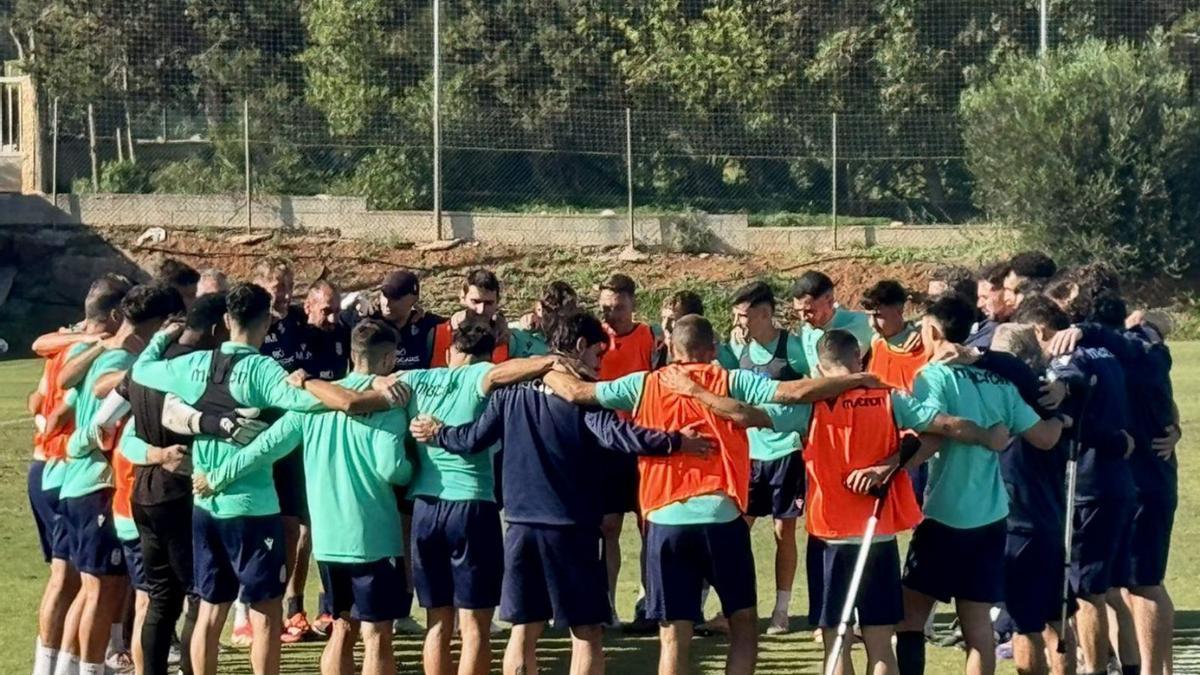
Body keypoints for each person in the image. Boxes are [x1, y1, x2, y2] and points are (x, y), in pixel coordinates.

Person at [543, 315, 909, 674]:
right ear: (713, 349)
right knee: (744, 625)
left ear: (671, 348)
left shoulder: (644, 383)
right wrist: (858, 378)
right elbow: (793, 391)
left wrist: (541, 366)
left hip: (665, 519)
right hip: (722, 517)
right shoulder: (729, 379)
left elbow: (578, 392)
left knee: (673, 637)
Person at [409, 310, 714, 675]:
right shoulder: (580, 394)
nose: (600, 365)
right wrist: (676, 441)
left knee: (523, 631)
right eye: (598, 355)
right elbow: (620, 436)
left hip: (520, 527)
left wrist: (438, 433)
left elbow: (472, 438)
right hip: (571, 528)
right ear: (582, 346)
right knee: (586, 633)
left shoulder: (511, 392)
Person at [131, 283, 388, 675]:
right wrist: (364, 385)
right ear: (267, 322)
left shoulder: (195, 364)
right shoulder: (261, 370)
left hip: (205, 504)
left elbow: (144, 370)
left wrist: (161, 339)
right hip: (253, 508)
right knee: (266, 614)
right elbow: (313, 402)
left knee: (210, 612)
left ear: (226, 321)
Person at [192, 319, 418, 675]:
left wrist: (216, 478)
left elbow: (263, 448)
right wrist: (413, 471)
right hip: (372, 536)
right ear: (389, 360)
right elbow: (391, 468)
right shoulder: (385, 405)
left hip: (328, 540)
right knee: (376, 636)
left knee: (341, 628)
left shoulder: (311, 404)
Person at [803, 330, 1010, 675]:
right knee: (881, 642)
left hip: (830, 535)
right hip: (878, 535)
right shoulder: (890, 398)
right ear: (858, 358)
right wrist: (988, 436)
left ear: (821, 368)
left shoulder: (809, 403)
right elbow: (942, 425)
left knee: (836, 640)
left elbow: (754, 415)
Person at [895, 295, 1064, 675]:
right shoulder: (998, 383)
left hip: (945, 515)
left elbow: (934, 426)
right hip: (991, 519)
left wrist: (895, 466)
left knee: (909, 616)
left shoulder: (932, 375)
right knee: (977, 630)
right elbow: (1045, 437)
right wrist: (1065, 416)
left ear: (932, 330)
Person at [393, 315, 568, 675]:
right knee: (474, 628)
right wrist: (548, 360)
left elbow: (376, 384)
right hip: (471, 507)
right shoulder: (481, 375)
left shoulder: (417, 378)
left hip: (425, 509)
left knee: (437, 622)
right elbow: (504, 373)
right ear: (489, 356)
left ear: (448, 351)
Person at [60, 283, 184, 675]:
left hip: (98, 486)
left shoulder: (95, 352)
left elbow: (65, 394)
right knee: (123, 595)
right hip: (110, 487)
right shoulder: (129, 360)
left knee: (101, 591)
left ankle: (69, 668)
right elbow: (97, 414)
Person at [122, 294, 234, 675]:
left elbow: (115, 429)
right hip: (181, 494)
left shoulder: (145, 367)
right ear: (219, 328)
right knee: (200, 597)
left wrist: (152, 454)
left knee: (160, 599)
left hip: (145, 492)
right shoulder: (196, 370)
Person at [32, 276, 130, 675]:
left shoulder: (68, 347)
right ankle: (86, 664)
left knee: (74, 583)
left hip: (51, 468)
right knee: (86, 586)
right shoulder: (98, 350)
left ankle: (57, 666)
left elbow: (42, 404)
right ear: (117, 314)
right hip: (76, 470)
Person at [979, 323, 1075, 675]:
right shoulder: (1050, 391)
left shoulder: (1017, 393)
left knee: (1025, 627)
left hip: (1020, 521)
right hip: (1050, 518)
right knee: (1057, 621)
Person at [716, 281, 809, 635]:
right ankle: (733, 608)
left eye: (744, 316)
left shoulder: (793, 348)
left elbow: (813, 386)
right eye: (736, 316)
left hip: (786, 452)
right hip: (748, 455)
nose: (739, 323)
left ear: (765, 314)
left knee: (783, 532)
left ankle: (781, 611)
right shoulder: (736, 350)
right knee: (735, 531)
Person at [595, 273, 658, 627]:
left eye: (618, 307)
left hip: (643, 442)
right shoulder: (594, 338)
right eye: (606, 307)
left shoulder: (649, 336)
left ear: (632, 304)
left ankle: (648, 600)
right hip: (606, 443)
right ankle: (607, 605)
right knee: (608, 526)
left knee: (650, 524)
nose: (611, 315)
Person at [339, 269, 445, 372]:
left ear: (413, 299)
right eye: (384, 295)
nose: (387, 302)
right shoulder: (365, 321)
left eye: (395, 298)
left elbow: (457, 323)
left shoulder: (425, 323)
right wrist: (348, 307)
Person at [429, 269, 517, 366]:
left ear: (497, 302)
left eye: (489, 303)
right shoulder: (437, 335)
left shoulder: (508, 339)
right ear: (463, 297)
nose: (481, 310)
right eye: (475, 301)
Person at [791, 271, 874, 373]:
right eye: (798, 311)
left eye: (809, 311)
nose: (803, 317)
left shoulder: (862, 324)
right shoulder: (805, 329)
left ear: (829, 301)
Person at [509, 280, 579, 357]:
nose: (565, 322)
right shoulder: (519, 332)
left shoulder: (569, 338)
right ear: (539, 308)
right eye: (560, 315)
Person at [965, 262, 1014, 349]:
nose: (979, 305)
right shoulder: (987, 324)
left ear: (1006, 292)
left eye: (985, 297)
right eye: (979, 298)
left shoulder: (1014, 333)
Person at [652, 291, 705, 370]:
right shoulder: (656, 350)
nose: (665, 326)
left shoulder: (708, 354)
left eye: (673, 320)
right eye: (663, 318)